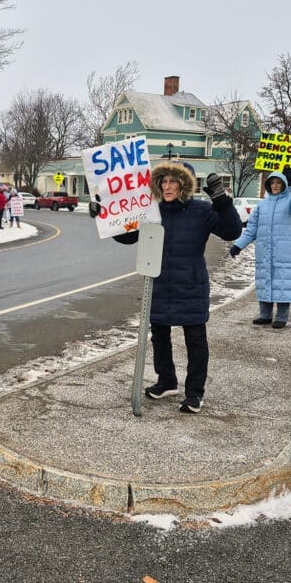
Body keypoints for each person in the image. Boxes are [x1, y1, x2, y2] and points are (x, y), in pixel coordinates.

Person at [90, 161, 241, 413]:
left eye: (173, 181)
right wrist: (105, 214)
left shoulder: (202, 211)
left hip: (190, 285)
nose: (167, 186)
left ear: (185, 184)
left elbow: (231, 230)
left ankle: (194, 393)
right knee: (159, 335)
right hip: (158, 283)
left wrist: (221, 200)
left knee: (195, 340)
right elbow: (127, 236)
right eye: (164, 181)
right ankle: (167, 381)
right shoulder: (151, 211)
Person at [229, 167, 291, 329]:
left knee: (282, 283)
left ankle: (281, 316)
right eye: (272, 182)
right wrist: (238, 245)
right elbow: (251, 229)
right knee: (265, 281)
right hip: (264, 251)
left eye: (279, 182)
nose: (275, 185)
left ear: (284, 184)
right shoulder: (262, 205)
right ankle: (265, 315)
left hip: (284, 253)